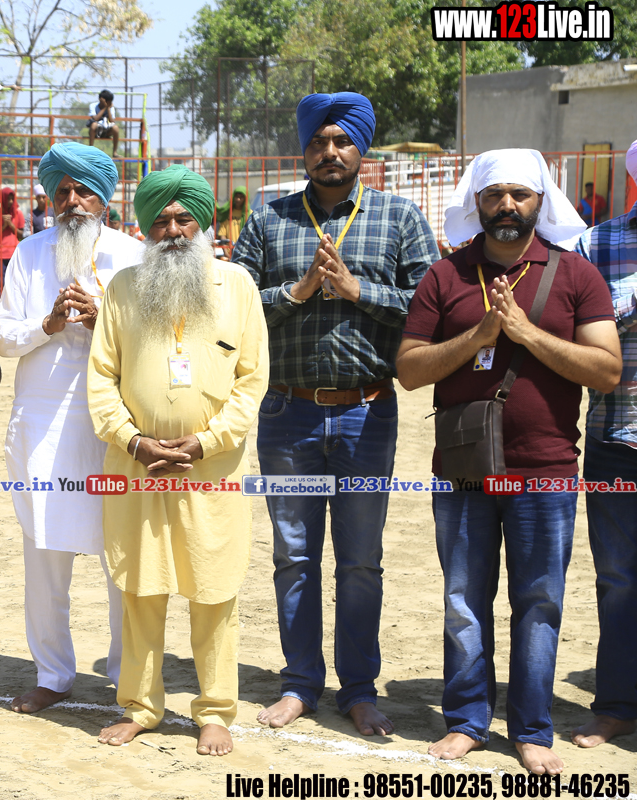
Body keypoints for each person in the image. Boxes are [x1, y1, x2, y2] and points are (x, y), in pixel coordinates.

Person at [396, 148, 621, 774]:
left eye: (520, 194)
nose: (507, 206)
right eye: (495, 195)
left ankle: (530, 728)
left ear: (540, 201)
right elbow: (409, 369)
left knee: (540, 602)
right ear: (477, 201)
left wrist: (523, 332)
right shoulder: (446, 276)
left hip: (545, 471)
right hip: (463, 470)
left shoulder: (575, 274)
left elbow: (606, 369)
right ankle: (467, 721)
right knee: (464, 600)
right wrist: (479, 336)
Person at [231, 91, 441, 737]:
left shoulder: (399, 218)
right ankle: (300, 684)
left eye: (342, 141)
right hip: (287, 412)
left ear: (361, 149)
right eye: (319, 142)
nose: (330, 152)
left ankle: (358, 688)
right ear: (304, 150)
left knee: (360, 561)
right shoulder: (269, 221)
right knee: (293, 556)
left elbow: (433, 307)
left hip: (366, 413)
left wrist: (357, 289)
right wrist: (298, 291)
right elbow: (233, 306)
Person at [88, 165, 269, 756]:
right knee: (141, 589)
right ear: (145, 227)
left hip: (211, 470)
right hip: (135, 466)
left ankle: (214, 710)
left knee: (214, 589)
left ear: (203, 224)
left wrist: (206, 442)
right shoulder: (123, 289)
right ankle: (140, 707)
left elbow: (252, 381)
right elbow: (101, 378)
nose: (172, 230)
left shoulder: (237, 286)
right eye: (160, 220)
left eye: (183, 218)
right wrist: (133, 440)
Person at [0, 141, 144, 714]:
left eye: (83, 191)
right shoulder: (30, 253)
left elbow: (155, 340)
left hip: (114, 427)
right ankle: (53, 674)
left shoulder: (132, 254)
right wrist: (47, 324)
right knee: (43, 556)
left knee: (121, 557)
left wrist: (106, 319)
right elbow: (1, 336)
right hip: (43, 426)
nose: (72, 201)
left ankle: (127, 674)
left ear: (103, 198)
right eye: (62, 191)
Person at [568, 139, 637, 751]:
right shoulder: (597, 244)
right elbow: (572, 330)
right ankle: (616, 705)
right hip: (618, 438)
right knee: (619, 579)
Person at [0, 186, 23, 305]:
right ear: (2, 199)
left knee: (15, 283)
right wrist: (3, 226)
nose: (11, 202)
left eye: (12, 199)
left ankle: (14, 308)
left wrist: (10, 224)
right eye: (8, 199)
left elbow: (22, 235)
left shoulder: (18, 214)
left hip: (14, 253)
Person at [87, 89, 120, 156]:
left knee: (116, 128)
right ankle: (91, 149)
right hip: (96, 130)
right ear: (101, 100)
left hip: (107, 130)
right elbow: (96, 118)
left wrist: (108, 109)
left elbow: (112, 121)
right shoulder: (93, 106)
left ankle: (115, 152)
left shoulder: (111, 108)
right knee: (93, 125)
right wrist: (104, 108)